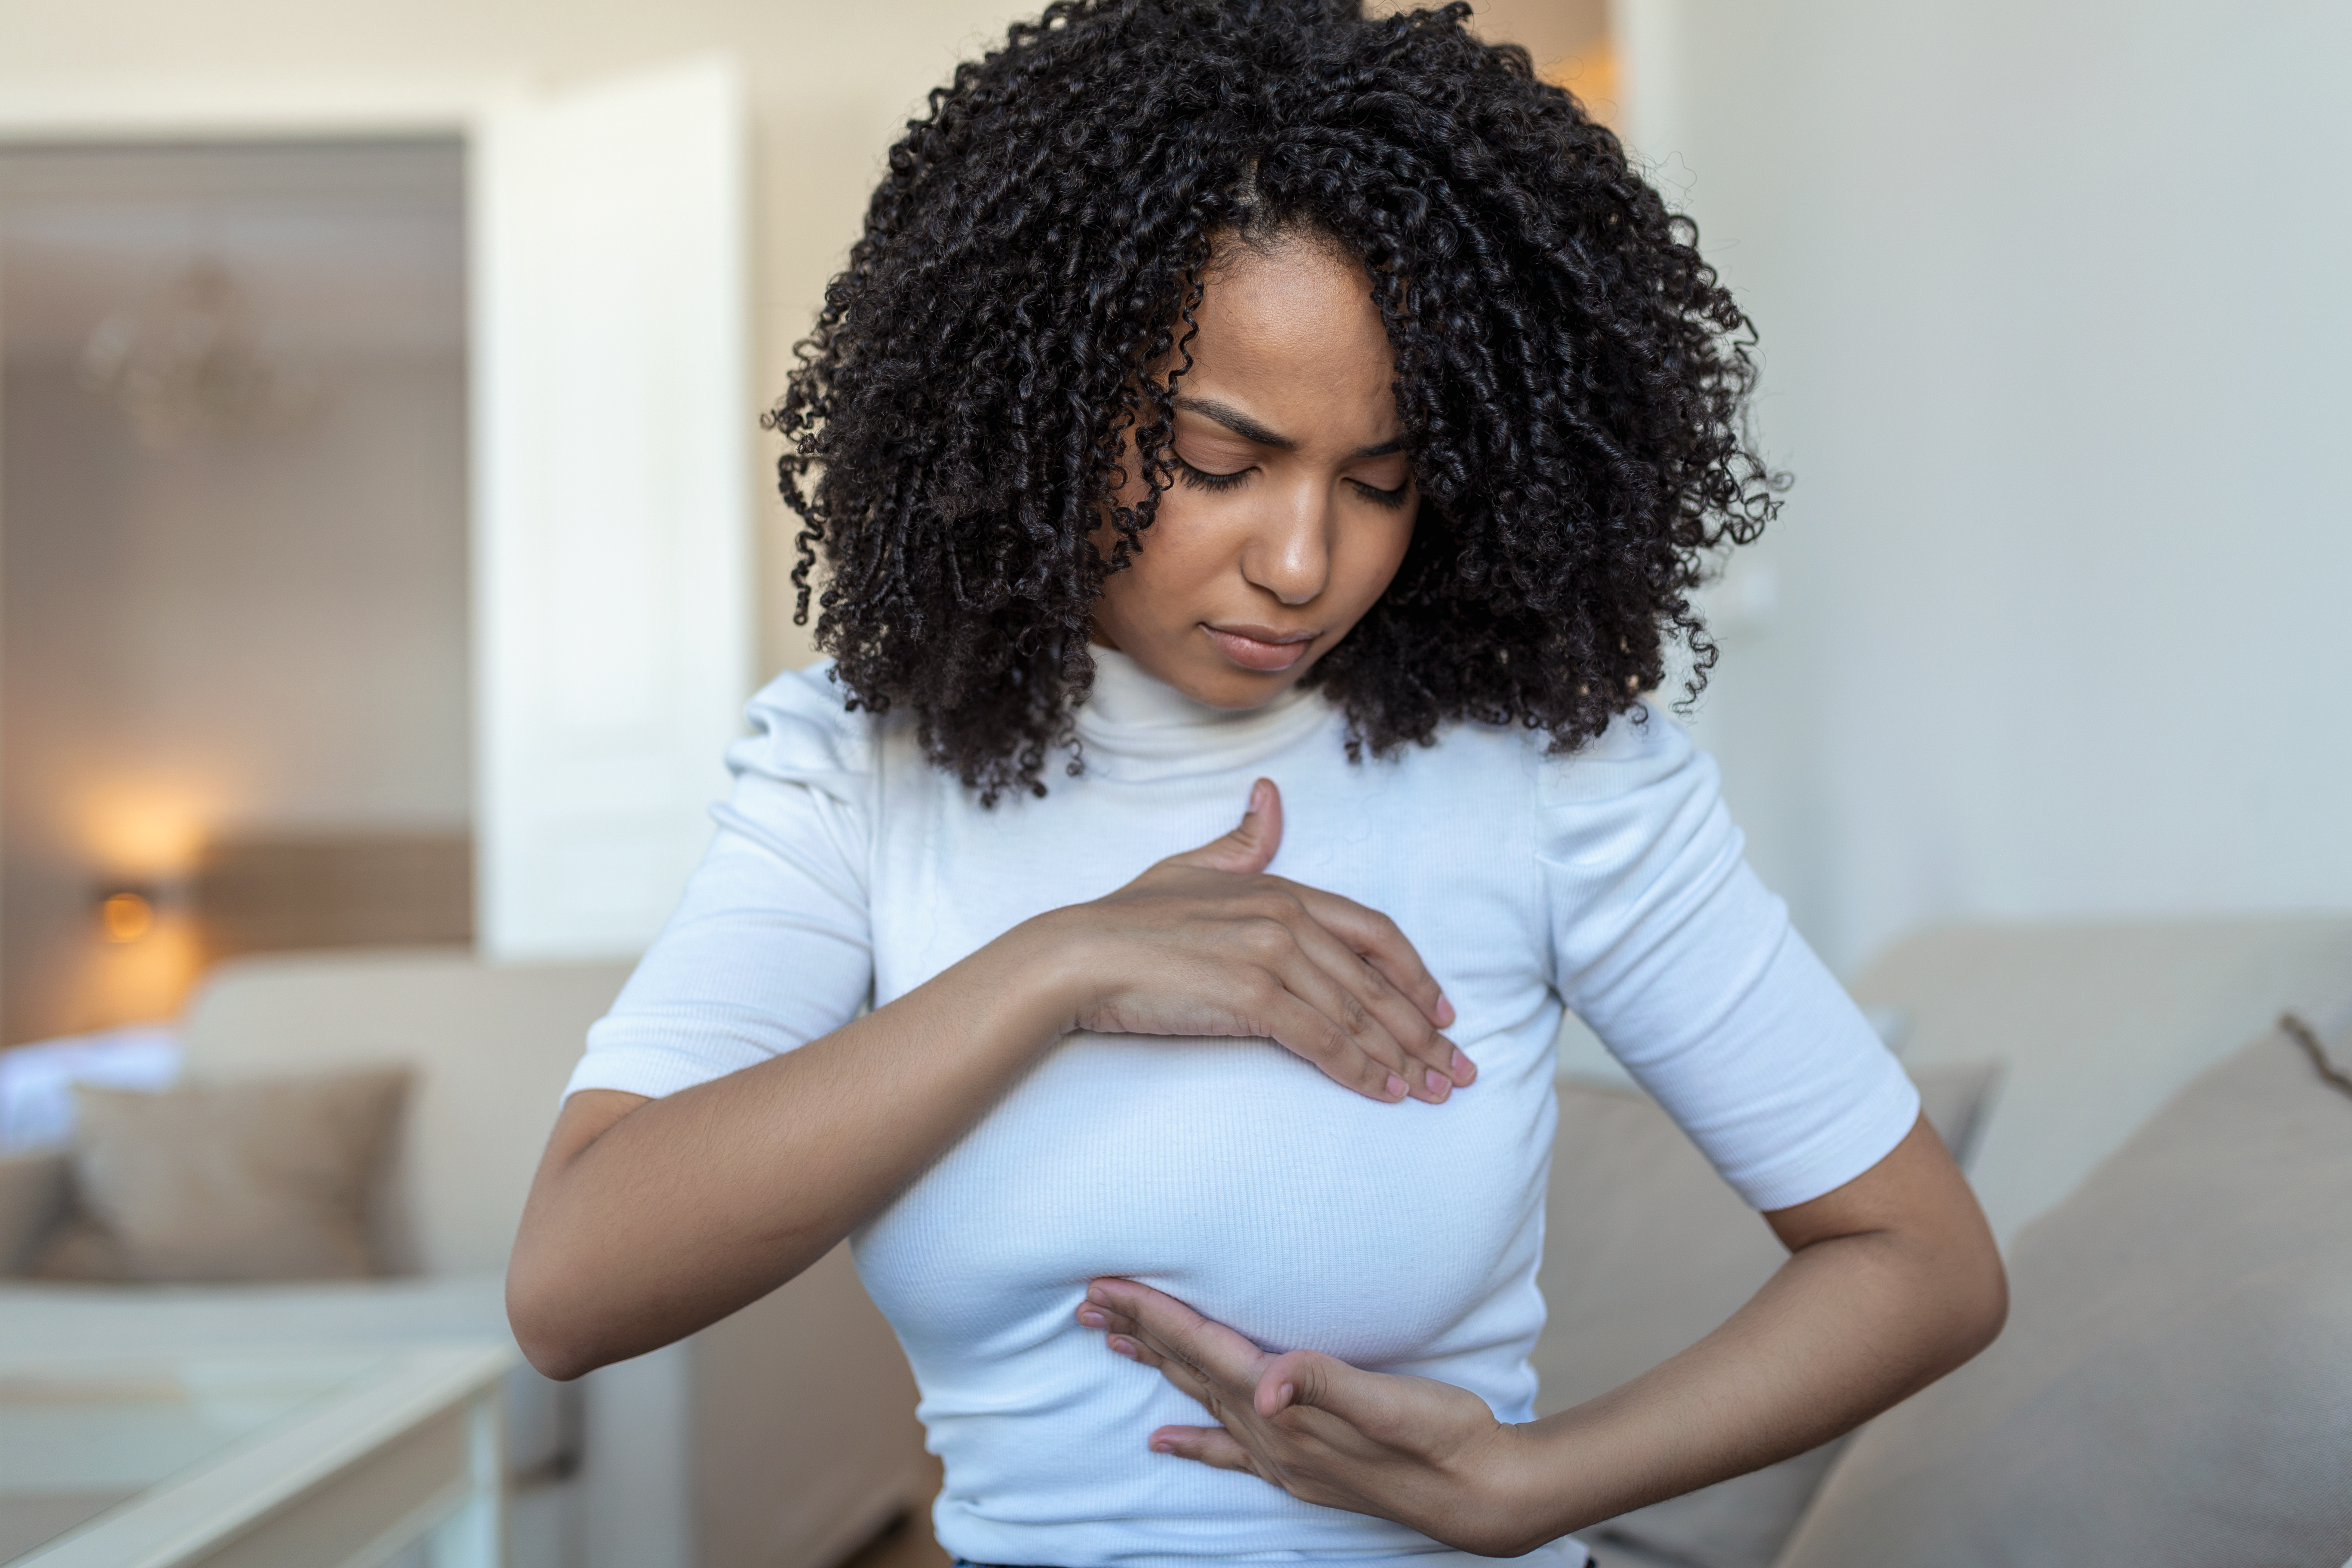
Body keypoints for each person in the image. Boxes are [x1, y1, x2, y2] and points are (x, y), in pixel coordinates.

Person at [505, 3, 2007, 1564]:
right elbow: (573, 1289)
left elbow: (1919, 1258)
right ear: (1042, 404)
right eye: (1220, 465)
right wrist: (1067, 963)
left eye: (1382, 481)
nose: (1304, 565)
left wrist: (1534, 1485)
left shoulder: (1551, 772)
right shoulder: (853, 768)